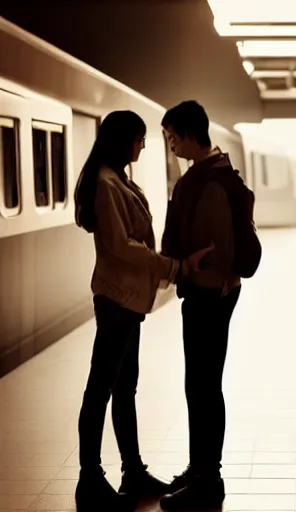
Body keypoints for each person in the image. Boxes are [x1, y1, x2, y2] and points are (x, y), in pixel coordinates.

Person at [73, 110, 212, 512]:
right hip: (116, 299)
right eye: (139, 138)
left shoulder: (116, 180)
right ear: (123, 140)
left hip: (127, 300)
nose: (144, 145)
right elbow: (122, 246)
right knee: (102, 387)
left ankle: (132, 471)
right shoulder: (106, 184)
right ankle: (90, 478)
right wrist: (172, 266)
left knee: (122, 386)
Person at [158, 100, 242, 511]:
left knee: (203, 386)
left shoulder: (206, 182)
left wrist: (190, 271)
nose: (170, 144)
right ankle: (201, 467)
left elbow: (216, 248)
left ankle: (208, 478)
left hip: (209, 294)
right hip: (213, 292)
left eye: (172, 136)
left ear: (190, 133)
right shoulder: (213, 174)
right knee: (202, 385)